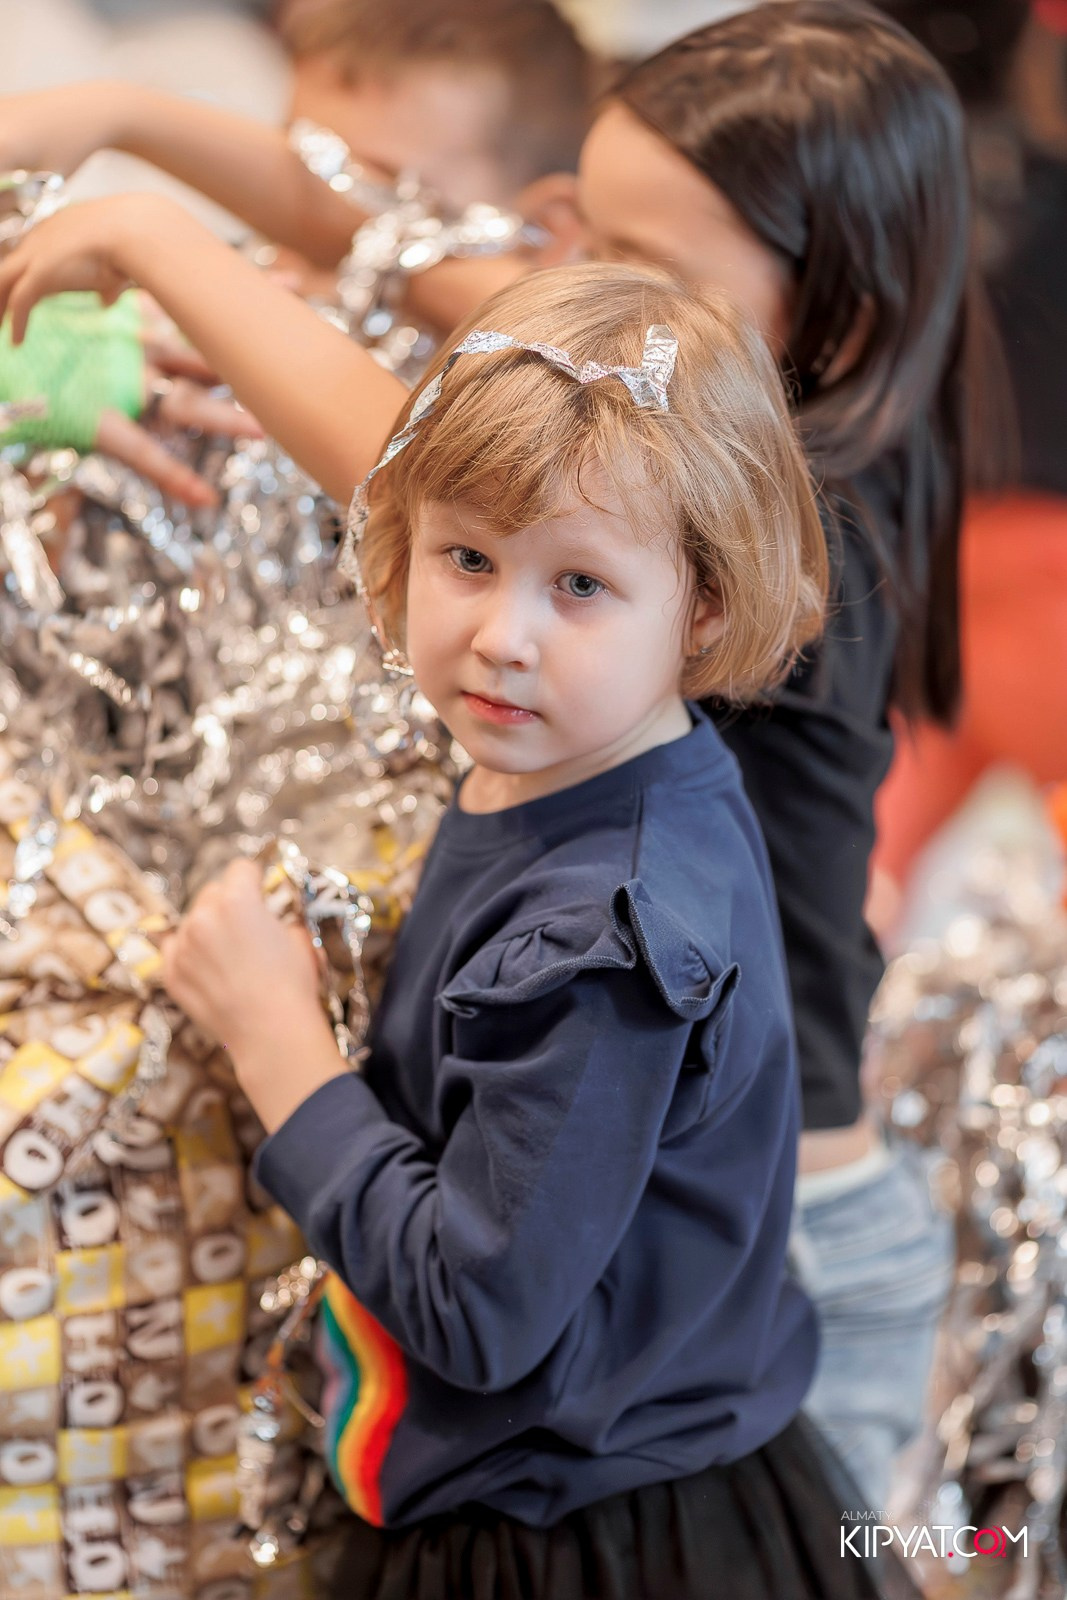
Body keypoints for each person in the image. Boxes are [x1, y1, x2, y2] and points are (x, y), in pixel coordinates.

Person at [0, 1, 973, 1508]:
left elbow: (417, 468)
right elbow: (393, 250)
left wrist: (155, 237)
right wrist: (135, 121)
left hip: (766, 1275)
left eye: (632, 263)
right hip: (671, 1231)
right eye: (579, 222)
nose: (552, 261)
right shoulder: (698, 382)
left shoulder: (756, 507)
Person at [156, 259, 910, 1600]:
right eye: (468, 558)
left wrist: (279, 1048)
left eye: (579, 587)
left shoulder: (605, 938)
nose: (503, 636)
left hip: (575, 1534)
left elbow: (479, 1310)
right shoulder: (597, 755)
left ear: (707, 611)